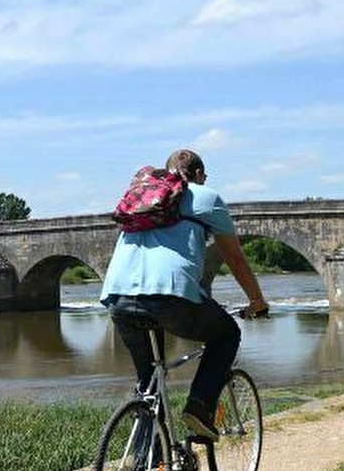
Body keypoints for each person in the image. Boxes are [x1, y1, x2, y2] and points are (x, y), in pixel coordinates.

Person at [100, 149, 270, 441]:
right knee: (226, 334)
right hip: (171, 296)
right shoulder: (206, 197)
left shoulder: (142, 199)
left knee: (148, 383)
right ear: (200, 175)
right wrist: (257, 301)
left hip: (117, 296)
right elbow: (236, 260)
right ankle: (199, 408)